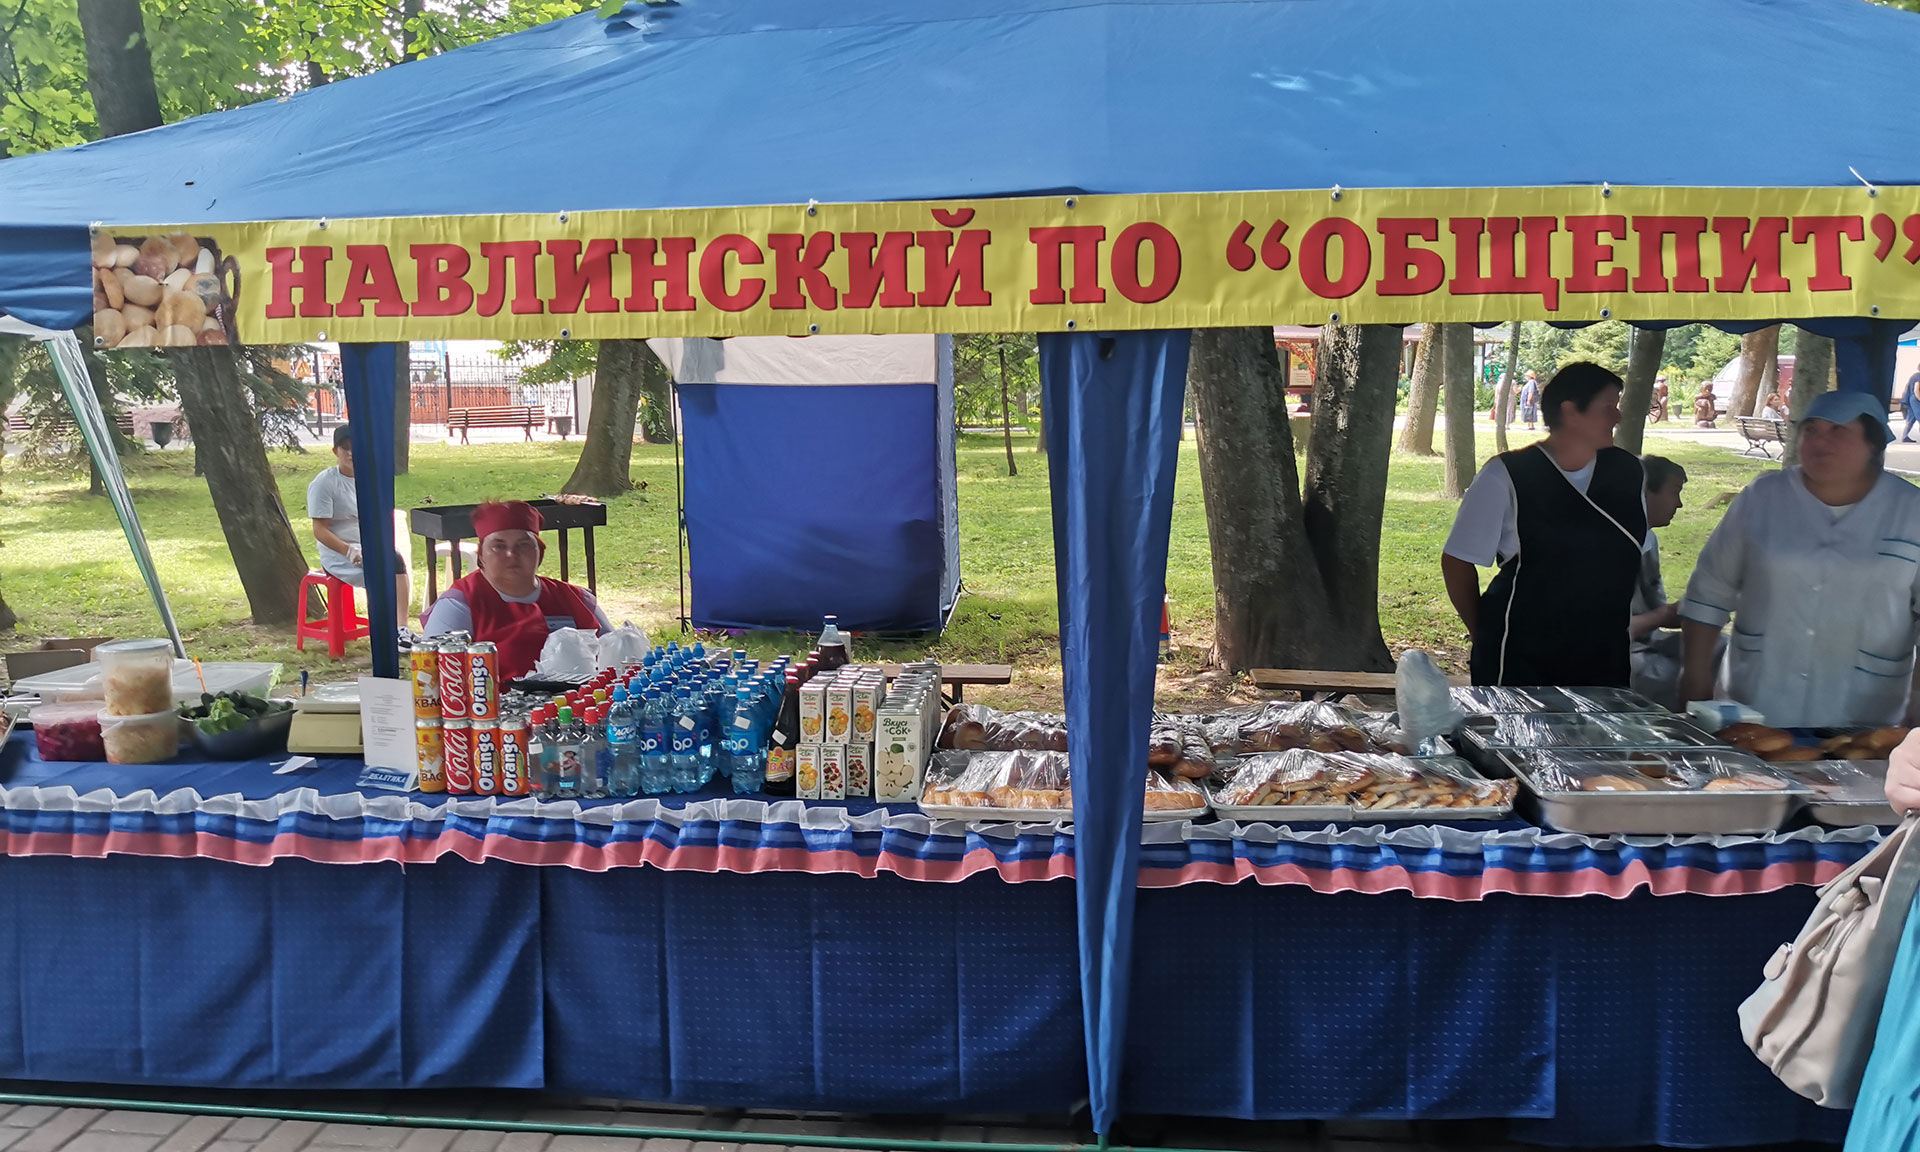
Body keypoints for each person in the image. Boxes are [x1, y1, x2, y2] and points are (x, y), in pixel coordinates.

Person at [1677, 391, 1920, 727]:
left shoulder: (1910, 511)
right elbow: (1708, 594)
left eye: (1838, 430)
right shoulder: (1762, 498)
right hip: (1756, 703)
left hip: (1869, 712)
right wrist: (1694, 677)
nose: (1820, 442)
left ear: (1872, 444)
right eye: (1811, 430)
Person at [1442, 362, 1648, 687]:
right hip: (1521, 658)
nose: (1617, 417)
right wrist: (1484, 633)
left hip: (1603, 657)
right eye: (1608, 406)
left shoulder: (1629, 473)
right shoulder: (1507, 475)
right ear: (1571, 412)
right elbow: (1457, 560)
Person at [424, 500, 615, 679]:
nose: (511, 554)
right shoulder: (460, 603)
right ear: (481, 556)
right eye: (498, 546)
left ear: (540, 553)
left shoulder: (577, 599)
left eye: (523, 545)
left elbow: (616, 656)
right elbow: (434, 676)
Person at [307, 424, 411, 614]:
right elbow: (320, 530)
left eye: (356, 448)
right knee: (380, 573)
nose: (351, 453)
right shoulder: (325, 482)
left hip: (367, 545)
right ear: (335, 451)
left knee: (396, 561)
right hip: (339, 554)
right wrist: (348, 550)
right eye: (345, 448)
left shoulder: (370, 480)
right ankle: (383, 622)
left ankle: (401, 624)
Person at [1629, 456, 1689, 709]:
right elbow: (1603, 633)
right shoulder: (1612, 545)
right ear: (1645, 492)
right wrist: (1665, 615)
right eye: (1674, 492)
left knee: (1721, 650)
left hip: (1647, 640)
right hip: (1615, 652)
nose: (1679, 504)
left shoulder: (1648, 538)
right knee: (1679, 676)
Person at [1903, 364, 1919, 443]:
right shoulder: (1918, 376)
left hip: (1911, 399)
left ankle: (1904, 436)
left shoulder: (1914, 376)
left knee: (1911, 419)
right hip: (1916, 399)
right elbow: (1916, 390)